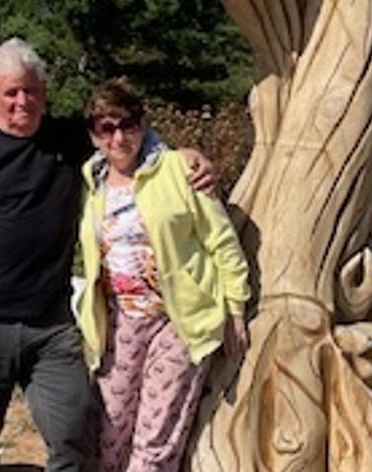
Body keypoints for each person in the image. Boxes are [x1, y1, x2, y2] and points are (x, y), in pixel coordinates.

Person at [0, 38, 219, 472]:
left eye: (31, 90)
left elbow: (122, 139)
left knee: (74, 431)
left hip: (52, 326)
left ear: (44, 92)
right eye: (10, 93)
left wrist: (181, 157)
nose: (22, 101)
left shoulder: (64, 139)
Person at [75, 78, 250, 472]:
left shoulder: (178, 169)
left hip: (178, 320)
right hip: (119, 321)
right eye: (107, 127)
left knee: (155, 438)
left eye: (128, 124)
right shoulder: (93, 181)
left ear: (142, 123)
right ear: (94, 134)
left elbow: (220, 239)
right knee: (108, 428)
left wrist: (235, 307)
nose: (119, 137)